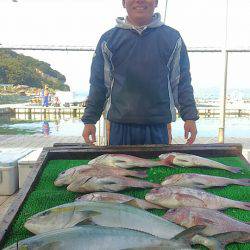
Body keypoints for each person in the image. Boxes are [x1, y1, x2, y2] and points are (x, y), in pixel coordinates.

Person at [82, 0, 199, 145]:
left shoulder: (172, 37)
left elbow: (181, 82)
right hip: (119, 127)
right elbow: (99, 84)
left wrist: (189, 117)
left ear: (156, 2)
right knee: (118, 168)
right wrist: (89, 120)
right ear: (124, 2)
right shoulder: (108, 39)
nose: (139, 0)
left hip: (158, 126)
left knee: (158, 167)